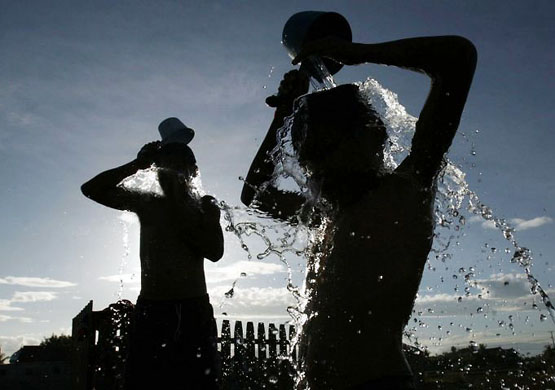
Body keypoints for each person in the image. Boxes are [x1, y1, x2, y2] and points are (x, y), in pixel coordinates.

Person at [241, 35, 477, 389]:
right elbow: (255, 196)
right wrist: (282, 115)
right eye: (307, 157)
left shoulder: (405, 191)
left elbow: (458, 57)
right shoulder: (327, 214)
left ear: (372, 136)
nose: (312, 169)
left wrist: (360, 54)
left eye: (324, 149)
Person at [82, 117, 224, 389]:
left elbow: (215, 252)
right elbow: (91, 189)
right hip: (152, 309)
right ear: (156, 170)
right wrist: (136, 165)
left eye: (179, 168)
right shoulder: (147, 203)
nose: (171, 174)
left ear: (193, 171)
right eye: (165, 168)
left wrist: (176, 206)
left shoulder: (206, 206)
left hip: (193, 310)